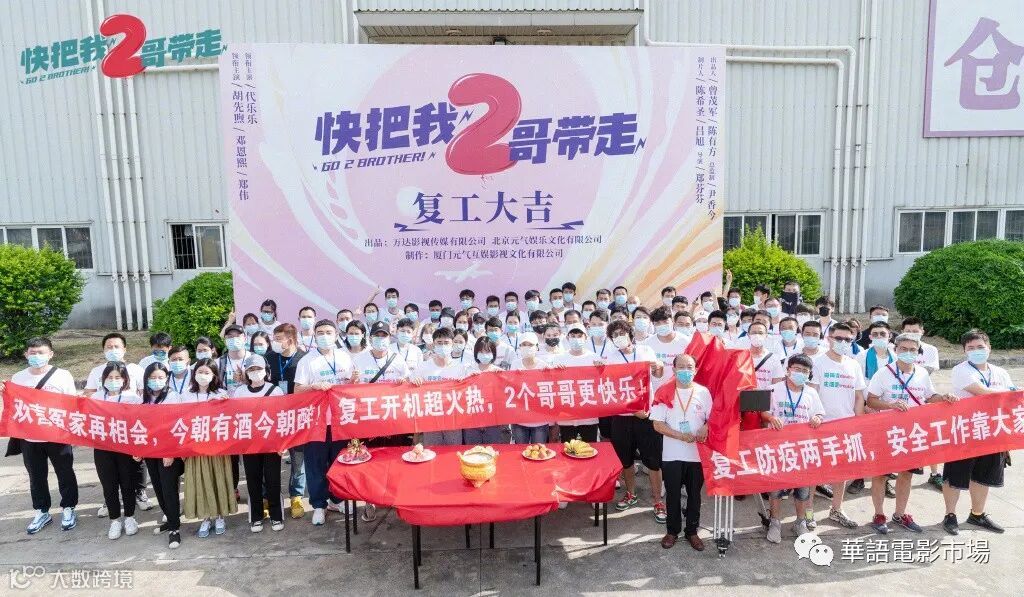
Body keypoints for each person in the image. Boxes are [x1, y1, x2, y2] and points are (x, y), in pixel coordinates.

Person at [865, 334, 956, 535]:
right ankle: (879, 515)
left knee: (906, 474)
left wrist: (944, 397)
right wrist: (890, 405)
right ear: (896, 349)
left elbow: (930, 396)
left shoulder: (921, 373)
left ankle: (900, 514)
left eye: (912, 349)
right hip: (887, 432)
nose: (908, 353)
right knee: (880, 475)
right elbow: (871, 400)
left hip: (913, 432)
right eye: (904, 349)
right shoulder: (884, 373)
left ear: (918, 352)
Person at [1, 337, 80, 534]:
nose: (37, 356)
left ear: (50, 354)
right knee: (36, 476)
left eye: (41, 352)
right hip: (30, 438)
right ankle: (42, 511)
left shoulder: (62, 375)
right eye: (33, 353)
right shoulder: (18, 378)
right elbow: (14, 406)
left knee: (65, 473)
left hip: (57, 436)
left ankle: (69, 508)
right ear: (26, 354)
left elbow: (72, 404)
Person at [942, 329, 1017, 535]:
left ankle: (977, 514)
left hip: (992, 431)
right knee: (955, 475)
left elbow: (1013, 399)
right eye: (971, 348)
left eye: (980, 347)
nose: (976, 351)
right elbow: (983, 393)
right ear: (964, 351)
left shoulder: (1000, 372)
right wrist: (1009, 394)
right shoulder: (961, 370)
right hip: (965, 430)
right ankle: (950, 515)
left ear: (989, 348)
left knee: (984, 475)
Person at [294, 320, 356, 526]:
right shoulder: (307, 361)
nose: (324, 336)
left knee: (340, 462)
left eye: (329, 332)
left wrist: (353, 381)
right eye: (320, 332)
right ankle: (319, 505)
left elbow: (350, 386)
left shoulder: (344, 357)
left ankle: (337, 500)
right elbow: (297, 390)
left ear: (336, 334)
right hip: (316, 422)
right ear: (314, 335)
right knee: (316, 465)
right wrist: (313, 386)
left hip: (341, 420)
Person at [83, 332, 150, 515]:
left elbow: (144, 393)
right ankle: (110, 501)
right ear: (103, 350)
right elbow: (88, 394)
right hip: (105, 429)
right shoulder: (96, 371)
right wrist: (104, 404)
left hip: (130, 426)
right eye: (109, 347)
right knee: (108, 470)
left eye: (116, 347)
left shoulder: (135, 370)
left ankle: (139, 492)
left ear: (124, 349)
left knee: (135, 464)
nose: (113, 350)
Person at [169, 359, 237, 537]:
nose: (203, 376)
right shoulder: (186, 395)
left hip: (217, 449)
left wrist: (222, 403)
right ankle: (206, 517)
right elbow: (180, 420)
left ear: (214, 375)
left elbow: (230, 419)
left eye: (207, 373)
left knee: (218, 479)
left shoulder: (221, 393)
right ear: (194, 374)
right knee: (200, 482)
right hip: (195, 448)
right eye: (200, 372)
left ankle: (220, 516)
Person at [761, 354, 825, 542]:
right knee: (776, 489)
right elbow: (763, 412)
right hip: (778, 448)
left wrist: (817, 418)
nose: (800, 373)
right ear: (788, 370)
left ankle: (800, 522)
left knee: (802, 490)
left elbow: (819, 414)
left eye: (805, 371)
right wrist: (771, 418)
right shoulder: (773, 389)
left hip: (802, 449)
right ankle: (775, 522)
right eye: (797, 369)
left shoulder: (811, 393)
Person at [651, 354, 712, 551]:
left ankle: (692, 531)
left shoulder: (703, 392)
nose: (686, 370)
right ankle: (672, 531)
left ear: (695, 370)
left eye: (690, 367)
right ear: (674, 369)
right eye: (682, 367)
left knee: (695, 494)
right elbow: (657, 424)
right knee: (673, 494)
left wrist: (706, 427)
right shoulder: (664, 391)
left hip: (697, 454)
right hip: (672, 454)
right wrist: (679, 436)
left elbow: (713, 418)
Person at [606, 320, 666, 522]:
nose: (619, 337)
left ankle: (658, 501)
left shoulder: (645, 351)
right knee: (626, 460)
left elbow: (658, 374)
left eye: (621, 333)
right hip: (622, 417)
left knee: (653, 461)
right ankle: (631, 493)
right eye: (614, 335)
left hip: (646, 416)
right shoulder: (611, 357)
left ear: (630, 334)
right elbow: (609, 388)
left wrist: (658, 366)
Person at [808, 323, 865, 529]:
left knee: (842, 471)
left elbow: (859, 396)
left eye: (848, 340)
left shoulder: (853, 365)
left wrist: (858, 422)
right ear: (829, 339)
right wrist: (815, 418)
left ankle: (837, 509)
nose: (843, 342)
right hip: (821, 426)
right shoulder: (817, 363)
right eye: (838, 338)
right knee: (815, 472)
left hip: (846, 426)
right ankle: (808, 512)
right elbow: (811, 393)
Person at [232, 355, 286, 533]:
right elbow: (233, 416)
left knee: (273, 479)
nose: (255, 372)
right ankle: (256, 517)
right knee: (253, 480)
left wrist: (282, 443)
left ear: (266, 370)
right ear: (246, 373)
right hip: (249, 444)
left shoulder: (275, 390)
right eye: (251, 369)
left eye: (258, 369)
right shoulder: (240, 392)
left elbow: (282, 418)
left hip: (271, 444)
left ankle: (276, 515)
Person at [90, 361, 144, 540]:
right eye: (109, 377)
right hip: (103, 448)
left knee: (128, 483)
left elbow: (141, 423)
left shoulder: (133, 398)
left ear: (125, 380)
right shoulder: (96, 397)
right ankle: (114, 520)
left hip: (126, 448)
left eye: (117, 377)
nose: (113, 381)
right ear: (103, 379)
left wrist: (139, 448)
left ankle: (130, 517)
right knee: (109, 484)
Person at [141, 362, 185, 549]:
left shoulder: (173, 397)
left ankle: (174, 529)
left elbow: (178, 426)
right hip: (151, 451)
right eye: (152, 377)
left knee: (169, 489)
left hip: (168, 451)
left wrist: (171, 452)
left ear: (167, 379)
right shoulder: (143, 398)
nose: (156, 381)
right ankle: (170, 519)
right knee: (158, 487)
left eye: (160, 377)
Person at [267, 323, 307, 519]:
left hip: (297, 415)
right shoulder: (269, 358)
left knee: (298, 460)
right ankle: (269, 498)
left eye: (278, 339)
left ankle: (296, 496)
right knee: (270, 459)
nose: (274, 342)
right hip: (273, 416)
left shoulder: (303, 359)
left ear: (290, 340)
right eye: (274, 339)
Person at [901, 316, 943, 489]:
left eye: (915, 331)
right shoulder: (897, 347)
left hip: (924, 397)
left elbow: (928, 371)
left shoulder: (930, 350)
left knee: (928, 437)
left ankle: (934, 473)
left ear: (922, 332)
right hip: (901, 400)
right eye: (908, 331)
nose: (911, 334)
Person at [412, 327, 470, 445]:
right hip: (431, 419)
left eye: (446, 343)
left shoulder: (460, 368)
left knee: (453, 452)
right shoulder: (423, 367)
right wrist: (415, 382)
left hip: (453, 420)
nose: (443, 346)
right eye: (439, 342)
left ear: (452, 344)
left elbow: (467, 393)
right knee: (432, 452)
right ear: (433, 344)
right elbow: (411, 389)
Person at [550, 325, 600, 442]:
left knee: (590, 447)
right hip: (567, 413)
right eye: (573, 336)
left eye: (579, 336)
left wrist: (601, 369)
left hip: (588, 413)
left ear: (586, 337)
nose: (576, 339)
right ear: (567, 338)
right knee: (568, 447)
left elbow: (602, 383)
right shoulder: (559, 358)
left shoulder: (594, 358)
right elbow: (553, 385)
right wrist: (555, 372)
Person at [463, 337, 506, 444]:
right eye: (481, 352)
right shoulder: (468, 371)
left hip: (494, 422)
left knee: (493, 450)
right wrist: (468, 380)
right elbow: (460, 394)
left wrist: (503, 379)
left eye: (488, 352)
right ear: (476, 353)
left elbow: (506, 397)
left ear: (493, 353)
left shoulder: (499, 372)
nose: (484, 355)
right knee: (473, 451)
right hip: (472, 421)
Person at [510, 333, 551, 444]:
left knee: (539, 450)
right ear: (519, 347)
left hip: (540, 419)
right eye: (524, 345)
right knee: (520, 450)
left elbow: (550, 389)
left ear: (537, 347)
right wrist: (514, 378)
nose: (527, 347)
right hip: (520, 419)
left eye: (530, 345)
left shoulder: (544, 366)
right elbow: (509, 389)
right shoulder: (515, 365)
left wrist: (554, 372)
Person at [644, 307, 690, 389]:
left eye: (665, 321)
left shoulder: (686, 341)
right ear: (653, 324)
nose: (662, 325)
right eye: (658, 323)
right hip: (657, 389)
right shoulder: (647, 343)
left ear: (672, 321)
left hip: (679, 388)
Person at [747, 322, 785, 390]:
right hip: (744, 395)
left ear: (766, 335)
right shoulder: (741, 357)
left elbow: (777, 384)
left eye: (760, 333)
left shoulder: (774, 358)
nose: (757, 335)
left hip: (766, 395)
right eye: (754, 333)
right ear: (748, 335)